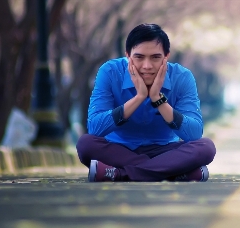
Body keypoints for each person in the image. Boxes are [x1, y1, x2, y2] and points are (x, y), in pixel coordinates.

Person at [76, 23, 216, 182]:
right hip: (119, 150)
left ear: (166, 57)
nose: (147, 66)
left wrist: (158, 99)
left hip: (165, 151)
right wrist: (139, 97)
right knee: (85, 144)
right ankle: (172, 173)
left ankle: (119, 174)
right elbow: (95, 128)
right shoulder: (110, 72)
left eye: (155, 57)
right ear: (128, 55)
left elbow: (194, 133)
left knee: (206, 147)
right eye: (139, 57)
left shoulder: (182, 77)